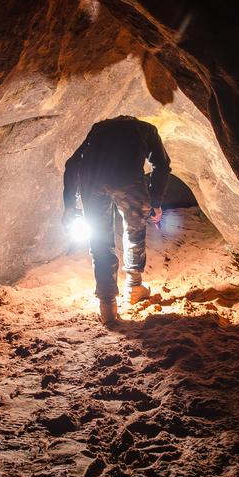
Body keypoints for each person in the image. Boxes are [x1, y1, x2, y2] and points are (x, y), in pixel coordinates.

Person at [62, 115, 171, 324]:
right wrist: (156, 201)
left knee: (100, 242)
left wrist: (69, 206)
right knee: (134, 232)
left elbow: (72, 163)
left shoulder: (98, 129)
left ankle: (107, 305)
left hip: (92, 183)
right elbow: (162, 165)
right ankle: (134, 286)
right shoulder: (146, 129)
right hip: (128, 181)